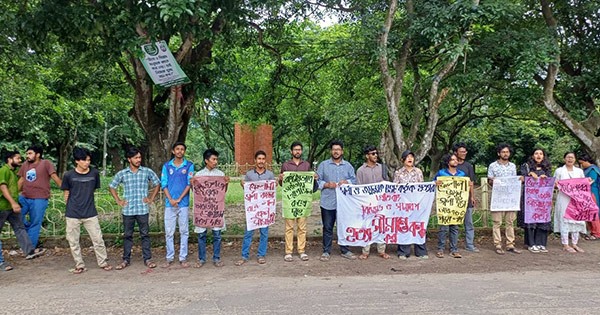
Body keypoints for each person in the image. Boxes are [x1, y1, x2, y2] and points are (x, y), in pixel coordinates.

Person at [61, 148, 112, 273]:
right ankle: (79, 265)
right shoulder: (68, 175)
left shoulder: (94, 173)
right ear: (77, 161)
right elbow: (66, 193)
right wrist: (68, 209)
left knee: (98, 239)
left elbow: (93, 190)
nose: (87, 162)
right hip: (73, 213)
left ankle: (103, 262)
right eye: (84, 160)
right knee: (73, 241)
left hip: (90, 212)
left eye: (88, 160)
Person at [109, 147, 160, 270]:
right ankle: (126, 259)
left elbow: (157, 183)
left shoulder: (146, 171)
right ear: (129, 159)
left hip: (142, 209)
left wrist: (151, 198)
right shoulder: (122, 174)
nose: (138, 160)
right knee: (127, 235)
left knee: (145, 234)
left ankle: (147, 259)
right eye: (136, 158)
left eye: (139, 157)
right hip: (128, 209)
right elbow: (112, 186)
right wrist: (118, 200)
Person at [0, 151, 44, 271]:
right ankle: (0, 262)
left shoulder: (13, 172)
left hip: (12, 207)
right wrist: (13, 202)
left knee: (20, 228)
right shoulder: (3, 170)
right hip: (2, 207)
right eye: (17, 158)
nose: (20, 160)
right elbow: (2, 187)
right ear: (9, 159)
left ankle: (29, 251)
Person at [316, 140, 357, 261]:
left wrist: (347, 182)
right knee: (327, 227)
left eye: (338, 149)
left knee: (344, 226)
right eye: (334, 149)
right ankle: (326, 251)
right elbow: (317, 181)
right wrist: (327, 184)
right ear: (331, 151)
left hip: (344, 204)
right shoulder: (323, 165)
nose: (336, 152)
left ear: (342, 151)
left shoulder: (348, 166)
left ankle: (345, 250)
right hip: (328, 201)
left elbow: (354, 180)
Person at [18, 144, 62, 250]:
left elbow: (54, 177)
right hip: (24, 197)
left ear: (37, 154)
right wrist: (13, 193)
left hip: (40, 198)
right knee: (17, 218)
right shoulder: (25, 165)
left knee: (35, 223)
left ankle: (29, 248)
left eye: (30, 153)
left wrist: (66, 189)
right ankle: (30, 235)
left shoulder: (46, 163)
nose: (27, 156)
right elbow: (21, 180)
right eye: (27, 153)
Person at [236, 150, 275, 266]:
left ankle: (261, 255)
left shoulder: (270, 175)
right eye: (259, 159)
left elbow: (271, 191)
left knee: (264, 233)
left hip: (265, 209)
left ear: (265, 161)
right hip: (253, 210)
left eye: (263, 159)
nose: (261, 161)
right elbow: (248, 191)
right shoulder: (249, 175)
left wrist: (274, 185)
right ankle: (244, 255)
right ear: (255, 160)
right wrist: (243, 185)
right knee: (248, 233)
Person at [278, 141, 315, 262]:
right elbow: (282, 185)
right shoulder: (286, 165)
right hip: (290, 201)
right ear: (291, 151)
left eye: (299, 149)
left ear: (301, 151)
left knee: (302, 227)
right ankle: (288, 252)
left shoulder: (306, 165)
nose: (297, 151)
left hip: (303, 202)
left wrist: (314, 178)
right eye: (295, 150)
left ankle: (301, 250)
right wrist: (281, 179)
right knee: (289, 227)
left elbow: (310, 184)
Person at [193, 148, 229, 268]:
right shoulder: (198, 175)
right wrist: (193, 183)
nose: (215, 161)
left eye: (216, 159)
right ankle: (202, 258)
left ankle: (216, 258)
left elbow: (223, 192)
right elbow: (196, 193)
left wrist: (226, 183)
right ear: (206, 160)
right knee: (201, 235)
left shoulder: (220, 175)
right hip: (203, 210)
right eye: (213, 159)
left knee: (217, 235)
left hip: (215, 210)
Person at [160, 142, 194, 268]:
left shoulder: (189, 165)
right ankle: (169, 257)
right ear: (173, 151)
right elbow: (164, 184)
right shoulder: (167, 166)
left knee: (184, 231)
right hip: (170, 204)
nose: (180, 151)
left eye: (182, 149)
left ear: (184, 151)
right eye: (177, 149)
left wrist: (179, 198)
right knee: (169, 232)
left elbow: (189, 184)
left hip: (183, 203)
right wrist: (171, 199)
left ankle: (182, 257)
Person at [356, 145, 390, 260]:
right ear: (367, 156)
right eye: (373, 153)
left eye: (376, 153)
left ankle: (382, 250)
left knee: (381, 226)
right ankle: (365, 251)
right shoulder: (360, 170)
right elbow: (359, 188)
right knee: (367, 226)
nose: (376, 155)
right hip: (367, 204)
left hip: (381, 203)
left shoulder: (382, 168)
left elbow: (387, 184)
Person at [487, 143, 522, 255]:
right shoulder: (492, 166)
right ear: (499, 153)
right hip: (498, 197)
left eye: (507, 152)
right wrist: (494, 181)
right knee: (497, 222)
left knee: (510, 221)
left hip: (510, 197)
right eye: (503, 152)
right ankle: (497, 244)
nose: (505, 154)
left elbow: (513, 180)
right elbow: (489, 181)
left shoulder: (512, 166)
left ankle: (510, 244)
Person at [394, 150, 428, 259]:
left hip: (416, 204)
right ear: (402, 160)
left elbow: (422, 187)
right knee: (404, 227)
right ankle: (403, 251)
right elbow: (395, 189)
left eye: (411, 157)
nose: (410, 159)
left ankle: (421, 251)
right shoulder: (398, 173)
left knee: (418, 226)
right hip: (403, 205)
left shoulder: (418, 172)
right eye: (407, 157)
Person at [517, 148, 552, 253]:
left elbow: (550, 180)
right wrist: (530, 175)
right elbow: (521, 178)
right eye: (536, 153)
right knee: (530, 219)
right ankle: (530, 243)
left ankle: (541, 243)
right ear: (532, 156)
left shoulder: (547, 168)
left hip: (543, 199)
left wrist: (544, 177)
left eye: (541, 154)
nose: (538, 155)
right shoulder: (526, 166)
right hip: (530, 198)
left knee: (542, 220)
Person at [434, 153, 468, 259]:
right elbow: (433, 183)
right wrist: (436, 182)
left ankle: (454, 249)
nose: (455, 161)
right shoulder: (441, 173)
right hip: (445, 205)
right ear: (448, 162)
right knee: (443, 228)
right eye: (452, 160)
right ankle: (440, 249)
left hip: (456, 206)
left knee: (454, 227)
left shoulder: (461, 174)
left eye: (456, 159)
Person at [554, 152, 587, 253]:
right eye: (568, 157)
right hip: (564, 198)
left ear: (575, 159)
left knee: (576, 220)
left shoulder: (579, 171)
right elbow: (554, 184)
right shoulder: (559, 171)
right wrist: (559, 185)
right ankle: (565, 244)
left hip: (576, 199)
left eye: (572, 157)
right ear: (564, 159)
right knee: (564, 220)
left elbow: (583, 184)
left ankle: (575, 243)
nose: (570, 159)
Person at [453, 143, 479, 252]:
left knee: (469, 223)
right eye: (462, 152)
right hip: (453, 199)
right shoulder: (450, 165)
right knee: (453, 224)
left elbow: (471, 182)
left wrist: (472, 196)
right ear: (456, 153)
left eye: (465, 152)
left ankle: (469, 244)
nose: (464, 154)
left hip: (466, 198)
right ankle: (453, 246)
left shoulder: (468, 166)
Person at [578, 152, 600, 240]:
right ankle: (592, 232)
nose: (581, 165)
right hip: (586, 193)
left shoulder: (593, 170)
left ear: (586, 161)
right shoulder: (588, 169)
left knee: (593, 213)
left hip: (592, 192)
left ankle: (597, 233)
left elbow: (591, 181)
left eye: (582, 163)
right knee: (588, 213)